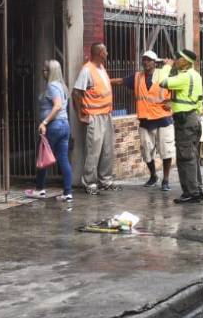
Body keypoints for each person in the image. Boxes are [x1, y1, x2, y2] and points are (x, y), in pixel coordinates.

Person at [111, 50, 176, 191]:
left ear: (154, 62)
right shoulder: (137, 77)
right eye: (143, 60)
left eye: (148, 60)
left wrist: (172, 102)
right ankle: (153, 176)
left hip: (163, 118)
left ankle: (165, 180)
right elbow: (121, 81)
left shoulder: (163, 74)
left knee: (166, 151)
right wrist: (105, 81)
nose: (145, 62)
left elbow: (176, 89)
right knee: (146, 151)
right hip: (145, 120)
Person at [160, 48, 203, 204]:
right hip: (192, 118)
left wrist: (167, 66)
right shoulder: (195, 75)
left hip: (185, 122)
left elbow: (162, 82)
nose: (175, 60)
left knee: (185, 158)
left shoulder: (185, 77)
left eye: (178, 58)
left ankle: (191, 193)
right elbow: (192, 99)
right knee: (192, 157)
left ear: (185, 61)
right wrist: (172, 103)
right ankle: (197, 190)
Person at [72, 42, 116, 195]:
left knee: (107, 149)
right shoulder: (87, 70)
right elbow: (76, 93)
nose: (107, 54)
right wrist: (80, 114)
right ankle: (90, 183)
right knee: (94, 151)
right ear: (99, 53)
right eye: (105, 51)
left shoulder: (101, 68)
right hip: (95, 116)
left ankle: (106, 180)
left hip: (106, 114)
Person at [29, 59, 72, 201]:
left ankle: (40, 189)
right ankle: (67, 193)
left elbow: (58, 105)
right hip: (64, 125)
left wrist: (44, 122)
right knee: (63, 159)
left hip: (54, 126)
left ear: (51, 72)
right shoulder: (62, 86)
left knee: (42, 156)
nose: (42, 72)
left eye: (45, 70)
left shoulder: (52, 86)